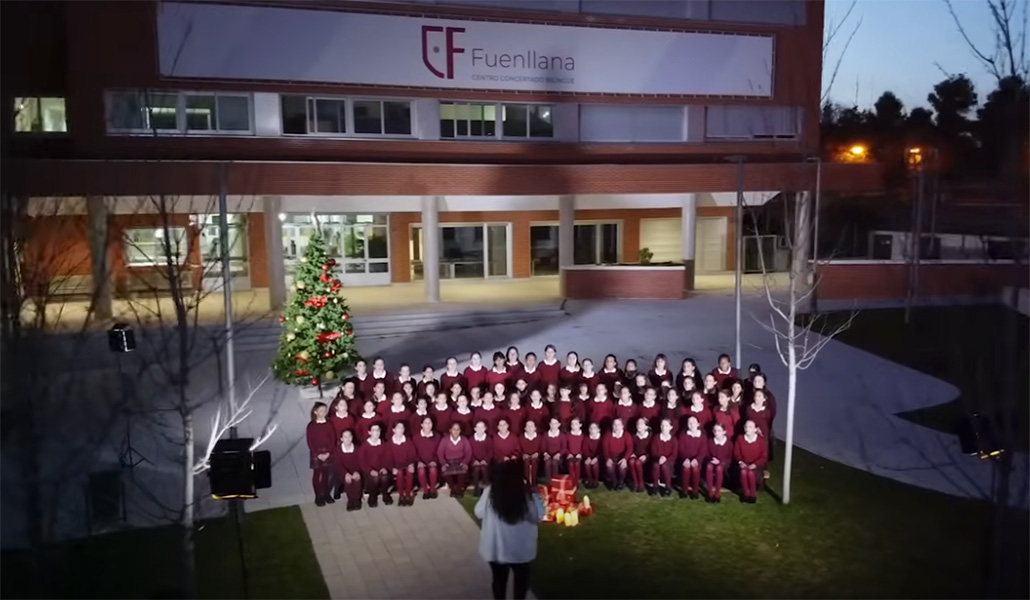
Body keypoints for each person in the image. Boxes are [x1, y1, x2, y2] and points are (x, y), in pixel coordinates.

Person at [474, 460, 544, 600]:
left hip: (497, 549)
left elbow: (478, 512)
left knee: (499, 582)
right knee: (520, 584)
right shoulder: (525, 495)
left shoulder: (490, 492)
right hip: (521, 550)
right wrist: (535, 495)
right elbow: (538, 515)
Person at [306, 402, 337, 507]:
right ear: (315, 412)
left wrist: (328, 452)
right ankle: (318, 496)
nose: (324, 413)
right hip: (316, 452)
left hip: (327, 451)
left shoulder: (329, 424)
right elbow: (310, 442)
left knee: (325, 474)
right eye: (321, 411)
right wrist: (317, 454)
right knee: (317, 474)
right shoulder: (311, 426)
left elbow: (333, 439)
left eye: (325, 411)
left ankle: (325, 494)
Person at [733, 420, 768, 504]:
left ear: (755, 429)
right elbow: (736, 453)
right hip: (744, 464)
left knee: (751, 473)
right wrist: (740, 462)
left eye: (750, 427)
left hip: (756, 465)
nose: (747, 429)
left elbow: (763, 457)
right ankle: (745, 494)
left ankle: (752, 495)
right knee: (744, 472)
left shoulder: (761, 441)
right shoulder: (740, 438)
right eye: (746, 427)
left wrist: (755, 464)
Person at [359, 423, 391, 507]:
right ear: (369, 432)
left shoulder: (384, 444)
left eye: (378, 430)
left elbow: (387, 457)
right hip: (369, 470)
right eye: (374, 430)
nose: (376, 432)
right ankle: (372, 496)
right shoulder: (365, 446)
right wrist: (370, 470)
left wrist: (384, 467)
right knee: (375, 478)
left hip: (381, 468)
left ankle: (385, 494)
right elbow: (362, 462)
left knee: (384, 476)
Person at [437, 422, 473, 497]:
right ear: (450, 430)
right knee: (445, 471)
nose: (456, 431)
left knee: (463, 470)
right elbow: (440, 452)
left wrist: (465, 462)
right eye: (454, 429)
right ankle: (453, 489)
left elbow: (468, 452)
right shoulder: (445, 440)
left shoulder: (464, 439)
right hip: (448, 461)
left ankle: (459, 490)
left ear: (460, 431)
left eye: (458, 429)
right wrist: (443, 463)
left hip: (460, 460)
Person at [677, 415, 707, 500]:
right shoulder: (683, 435)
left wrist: (697, 459)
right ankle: (684, 490)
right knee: (686, 467)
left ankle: (695, 491)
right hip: (685, 459)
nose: (691, 424)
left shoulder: (702, 436)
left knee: (695, 468)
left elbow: (703, 451)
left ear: (698, 424)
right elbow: (681, 449)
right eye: (689, 422)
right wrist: (685, 458)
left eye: (693, 422)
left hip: (697, 460)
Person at [332, 429, 363, 511]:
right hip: (343, 473)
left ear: (352, 437)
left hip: (355, 470)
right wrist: (345, 473)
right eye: (345, 437)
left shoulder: (357, 449)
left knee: (357, 479)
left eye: (349, 436)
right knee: (348, 480)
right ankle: (350, 501)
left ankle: (356, 500)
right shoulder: (337, 450)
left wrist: (357, 471)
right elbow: (337, 465)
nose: (348, 438)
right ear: (341, 439)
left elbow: (360, 462)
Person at [389, 421, 417, 506]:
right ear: (394, 430)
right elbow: (388, 458)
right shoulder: (390, 443)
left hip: (406, 464)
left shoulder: (408, 441)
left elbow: (412, 454)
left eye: (402, 428)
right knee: (399, 473)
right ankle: (401, 495)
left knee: (409, 471)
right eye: (398, 428)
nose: (400, 430)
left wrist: (411, 464)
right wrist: (392, 468)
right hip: (396, 466)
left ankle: (408, 494)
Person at [414, 416, 441, 500]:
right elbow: (414, 452)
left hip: (432, 460)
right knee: (421, 471)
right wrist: (419, 461)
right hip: (420, 461)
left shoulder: (437, 436)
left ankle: (432, 489)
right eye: (426, 423)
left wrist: (434, 460)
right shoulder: (416, 437)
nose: (428, 425)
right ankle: (425, 491)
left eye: (430, 423)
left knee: (433, 469)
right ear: (422, 425)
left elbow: (439, 451)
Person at [650, 418, 677, 497]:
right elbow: (653, 451)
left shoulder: (673, 439)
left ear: (670, 427)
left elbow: (674, 454)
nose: (663, 427)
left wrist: (666, 459)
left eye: (666, 426)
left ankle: (668, 487)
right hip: (657, 459)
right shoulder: (656, 437)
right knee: (656, 465)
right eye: (662, 425)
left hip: (669, 460)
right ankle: (655, 486)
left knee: (665, 465)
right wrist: (659, 457)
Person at [705, 422, 732, 503]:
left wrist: (720, 461)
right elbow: (707, 454)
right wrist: (712, 459)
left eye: (719, 431)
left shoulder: (728, 443)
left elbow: (730, 457)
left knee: (719, 468)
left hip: (724, 463)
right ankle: (710, 493)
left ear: (724, 432)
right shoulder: (711, 441)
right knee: (709, 467)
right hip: (713, 461)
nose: (717, 433)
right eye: (715, 431)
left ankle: (717, 494)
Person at [603, 418, 631, 490]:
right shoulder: (608, 435)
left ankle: (620, 482)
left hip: (622, 456)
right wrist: (608, 458)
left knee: (622, 466)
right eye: (615, 425)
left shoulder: (626, 435)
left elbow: (630, 448)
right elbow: (605, 448)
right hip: (611, 456)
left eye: (618, 425)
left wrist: (625, 459)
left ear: (622, 426)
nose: (616, 427)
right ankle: (613, 481)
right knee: (609, 466)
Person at [470, 419, 494, 496]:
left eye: (482, 427)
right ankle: (476, 490)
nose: (480, 429)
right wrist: (474, 460)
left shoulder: (488, 439)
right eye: (478, 427)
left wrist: (485, 460)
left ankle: (486, 488)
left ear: (485, 428)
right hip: (474, 461)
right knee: (476, 469)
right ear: (475, 429)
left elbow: (490, 452)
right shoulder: (471, 439)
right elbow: (469, 452)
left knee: (484, 468)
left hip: (485, 461)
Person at [629, 417, 652, 494]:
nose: (639, 425)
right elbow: (631, 447)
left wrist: (646, 456)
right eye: (638, 424)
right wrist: (632, 454)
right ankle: (636, 483)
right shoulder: (634, 436)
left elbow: (652, 450)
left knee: (638, 463)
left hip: (646, 457)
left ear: (646, 427)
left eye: (641, 424)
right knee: (632, 461)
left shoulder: (649, 436)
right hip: (636, 455)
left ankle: (641, 484)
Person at [519, 419, 542, 484]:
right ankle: (527, 483)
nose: (530, 428)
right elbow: (518, 449)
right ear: (525, 428)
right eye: (528, 426)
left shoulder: (539, 437)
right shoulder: (521, 438)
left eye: (531, 426)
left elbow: (541, 448)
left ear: (535, 428)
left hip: (536, 457)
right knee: (526, 463)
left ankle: (534, 482)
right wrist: (523, 454)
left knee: (534, 462)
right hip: (525, 458)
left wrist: (537, 453)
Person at [582, 421, 603, 489]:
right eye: (590, 428)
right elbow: (585, 449)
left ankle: (595, 481)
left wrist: (596, 458)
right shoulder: (587, 438)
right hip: (589, 456)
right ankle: (590, 480)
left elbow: (602, 451)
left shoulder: (601, 438)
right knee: (587, 464)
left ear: (598, 430)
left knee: (595, 464)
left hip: (599, 457)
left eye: (594, 428)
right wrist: (588, 457)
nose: (592, 430)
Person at [565, 416, 585, 485]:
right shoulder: (568, 435)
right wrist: (568, 453)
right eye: (572, 424)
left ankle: (576, 481)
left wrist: (580, 453)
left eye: (576, 424)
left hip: (578, 455)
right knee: (571, 463)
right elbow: (565, 446)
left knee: (577, 463)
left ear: (580, 425)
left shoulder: (582, 435)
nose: (574, 426)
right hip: (570, 454)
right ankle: (571, 480)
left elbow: (583, 447)